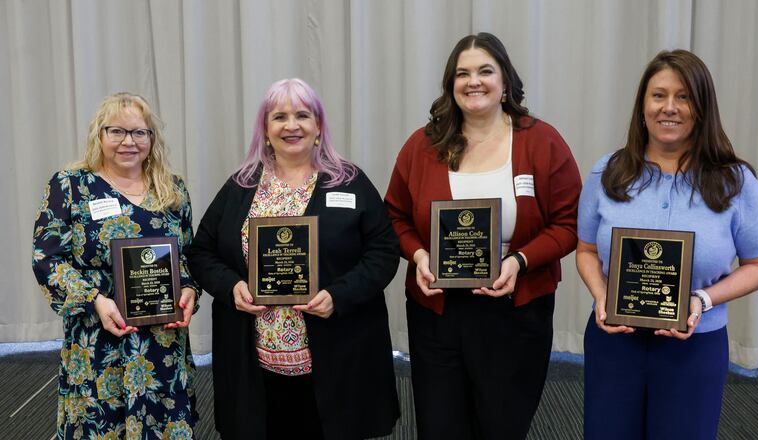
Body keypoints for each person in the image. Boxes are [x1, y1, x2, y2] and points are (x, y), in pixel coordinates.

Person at [385, 32, 581, 439]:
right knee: (441, 426)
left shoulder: (541, 142)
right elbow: (394, 218)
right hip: (437, 312)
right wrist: (420, 256)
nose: (473, 81)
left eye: (485, 71)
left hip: (515, 308)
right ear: (451, 84)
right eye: (463, 73)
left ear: (505, 81)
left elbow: (569, 223)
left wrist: (518, 262)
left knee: (502, 425)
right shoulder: (422, 147)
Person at [576, 49, 758, 439]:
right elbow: (585, 251)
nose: (669, 108)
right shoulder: (608, 172)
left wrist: (702, 300)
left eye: (683, 96)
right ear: (642, 106)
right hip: (614, 343)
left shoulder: (735, 182)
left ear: (701, 107)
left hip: (695, 347)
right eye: (658, 95)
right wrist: (601, 296)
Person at [186, 78, 400, 439]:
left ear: (318, 127)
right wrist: (231, 286)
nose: (291, 125)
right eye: (279, 116)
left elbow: (383, 252)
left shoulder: (347, 182)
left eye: (303, 115)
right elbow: (202, 251)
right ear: (265, 130)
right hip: (255, 360)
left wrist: (339, 295)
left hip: (335, 354)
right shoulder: (241, 184)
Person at [32, 92, 200, 439]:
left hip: (161, 342)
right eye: (117, 132)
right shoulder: (71, 185)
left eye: (140, 132)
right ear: (100, 135)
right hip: (98, 339)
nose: (129, 142)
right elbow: (47, 258)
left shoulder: (172, 189)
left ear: (152, 139)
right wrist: (95, 299)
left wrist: (188, 289)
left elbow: (188, 257)